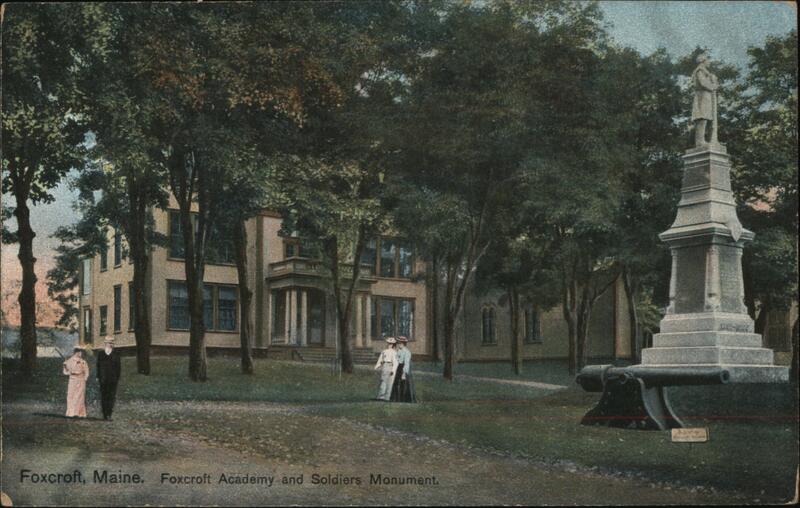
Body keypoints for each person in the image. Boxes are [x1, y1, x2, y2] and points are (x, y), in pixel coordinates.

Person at [691, 52, 719, 147]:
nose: (709, 62)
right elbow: (703, 83)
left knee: (705, 118)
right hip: (702, 97)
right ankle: (700, 141)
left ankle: (702, 140)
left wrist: (713, 81)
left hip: (706, 97)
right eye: (708, 60)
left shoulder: (706, 72)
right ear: (703, 61)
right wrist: (713, 86)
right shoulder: (700, 71)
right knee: (701, 118)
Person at [97, 336, 122, 420]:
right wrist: (98, 376)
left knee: (111, 396)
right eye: (109, 343)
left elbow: (118, 367)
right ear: (105, 343)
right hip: (103, 379)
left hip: (113, 379)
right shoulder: (101, 354)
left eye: (112, 343)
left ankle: (109, 414)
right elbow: (98, 366)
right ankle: (104, 413)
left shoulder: (116, 354)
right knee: (104, 396)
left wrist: (117, 377)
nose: (110, 344)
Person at [62, 347, 90, 418]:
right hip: (72, 380)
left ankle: (79, 413)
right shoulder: (69, 361)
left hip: (81, 380)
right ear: (76, 352)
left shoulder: (83, 361)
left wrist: (85, 378)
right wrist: (65, 367)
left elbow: (86, 371)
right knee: (71, 396)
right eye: (79, 352)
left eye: (81, 352)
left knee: (80, 397)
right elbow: (65, 372)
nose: (80, 354)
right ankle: (71, 413)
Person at [390, 336, 417, 403]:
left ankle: (404, 399)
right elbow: (397, 359)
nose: (398, 344)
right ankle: (396, 399)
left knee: (404, 385)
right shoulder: (399, 351)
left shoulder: (407, 352)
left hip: (403, 368)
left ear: (403, 344)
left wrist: (404, 373)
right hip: (398, 368)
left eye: (400, 343)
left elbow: (406, 364)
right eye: (398, 343)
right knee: (396, 383)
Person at [374, 337, 398, 401]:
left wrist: (393, 370)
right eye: (388, 343)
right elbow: (380, 359)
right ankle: (381, 396)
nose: (389, 345)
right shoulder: (384, 351)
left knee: (390, 382)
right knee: (383, 381)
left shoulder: (394, 352)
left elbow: (395, 362)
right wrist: (377, 366)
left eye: (391, 344)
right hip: (385, 366)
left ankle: (387, 397)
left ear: (393, 345)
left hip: (390, 366)